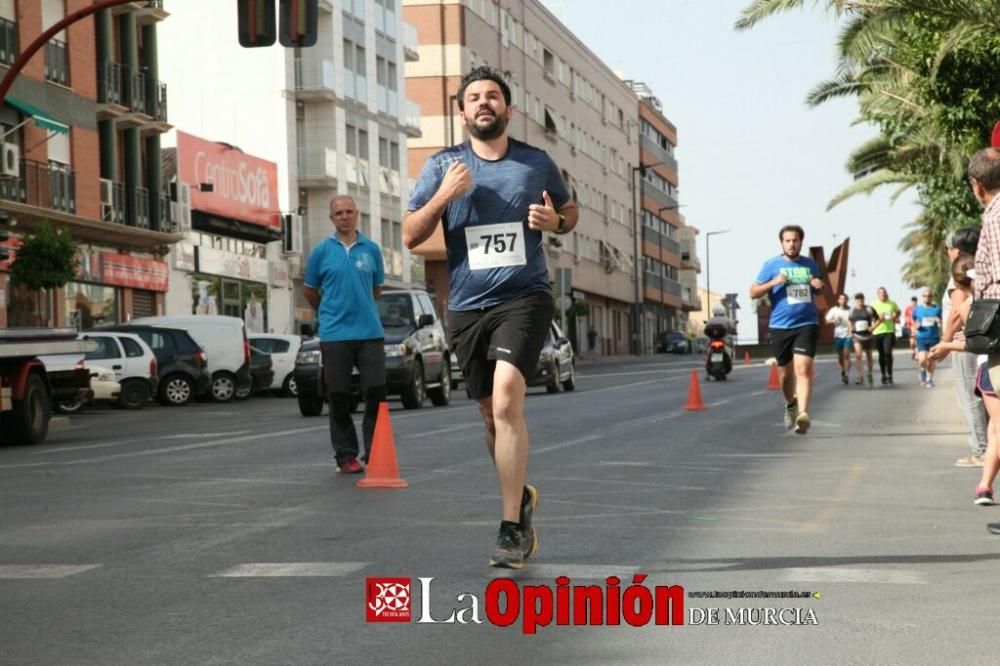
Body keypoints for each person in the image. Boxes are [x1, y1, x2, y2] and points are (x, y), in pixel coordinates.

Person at [403, 66, 579, 567]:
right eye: (474, 97)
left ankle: (508, 529)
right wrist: (443, 196)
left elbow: (569, 212)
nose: (484, 103)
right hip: (465, 307)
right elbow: (411, 236)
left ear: (508, 109)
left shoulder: (534, 163)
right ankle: (519, 498)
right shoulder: (443, 166)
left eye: (493, 96)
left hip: (524, 297)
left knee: (505, 403)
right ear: (462, 111)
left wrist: (556, 223)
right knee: (488, 414)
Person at [303, 195, 386, 475]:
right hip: (335, 334)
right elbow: (310, 291)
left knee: (375, 391)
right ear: (332, 218)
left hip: (370, 332)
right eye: (338, 212)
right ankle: (346, 455)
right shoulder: (321, 252)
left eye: (349, 211)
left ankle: (375, 452)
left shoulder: (371, 250)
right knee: (338, 395)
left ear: (356, 215)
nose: (344, 216)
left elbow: (376, 290)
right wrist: (327, 313)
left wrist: (361, 308)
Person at [931, 254, 996, 501]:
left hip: (989, 368)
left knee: (996, 431)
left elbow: (980, 344)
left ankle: (985, 486)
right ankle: (984, 485)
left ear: (958, 285)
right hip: (989, 366)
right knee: (993, 430)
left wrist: (948, 345)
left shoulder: (975, 304)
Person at [749, 225, 825, 434]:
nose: (792, 244)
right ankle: (791, 403)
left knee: (804, 369)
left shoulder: (810, 265)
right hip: (780, 325)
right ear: (782, 243)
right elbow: (753, 292)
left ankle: (803, 414)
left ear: (801, 242)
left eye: (796, 240)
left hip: (807, 323)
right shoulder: (771, 265)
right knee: (785, 376)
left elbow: (819, 290)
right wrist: (775, 281)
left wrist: (818, 285)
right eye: (788, 241)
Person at [938, 227, 988, 467]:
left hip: (961, 342)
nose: (947, 252)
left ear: (956, 250)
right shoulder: (981, 268)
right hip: (979, 341)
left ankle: (981, 449)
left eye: (948, 248)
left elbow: (957, 314)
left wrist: (944, 344)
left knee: (970, 396)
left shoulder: (958, 273)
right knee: (983, 394)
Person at [870, 287, 901, 384]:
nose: (883, 294)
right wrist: (878, 317)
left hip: (889, 330)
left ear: (886, 293)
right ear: (878, 294)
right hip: (878, 332)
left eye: (884, 293)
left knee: (888, 352)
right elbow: (870, 316)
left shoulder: (892, 303)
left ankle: (890, 374)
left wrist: (894, 316)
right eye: (880, 293)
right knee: (881, 354)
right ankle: (883, 374)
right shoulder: (873, 304)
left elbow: (898, 311)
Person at [913, 288, 942, 387]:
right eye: (925, 296)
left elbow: (942, 321)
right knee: (922, 359)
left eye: (929, 296)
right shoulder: (918, 309)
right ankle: (922, 370)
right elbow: (913, 320)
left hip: (934, 336)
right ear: (922, 297)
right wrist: (916, 325)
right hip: (921, 337)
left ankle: (929, 379)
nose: (927, 298)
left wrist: (938, 321)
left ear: (932, 297)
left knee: (932, 358)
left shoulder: (937, 309)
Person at [849, 292, 879, 387]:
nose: (860, 301)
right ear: (855, 301)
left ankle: (869, 373)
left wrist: (873, 327)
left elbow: (878, 319)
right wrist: (850, 328)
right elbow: (849, 321)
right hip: (857, 336)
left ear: (864, 299)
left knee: (869, 356)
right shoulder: (852, 310)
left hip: (868, 336)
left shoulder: (869, 309)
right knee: (858, 355)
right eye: (858, 299)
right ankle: (859, 375)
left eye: (861, 299)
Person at [826, 293, 853, 385]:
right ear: (838, 300)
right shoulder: (834, 310)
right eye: (841, 299)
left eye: (845, 299)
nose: (843, 300)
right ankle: (842, 369)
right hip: (838, 335)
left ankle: (846, 374)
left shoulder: (850, 310)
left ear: (847, 300)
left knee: (846, 355)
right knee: (840, 357)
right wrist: (834, 320)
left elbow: (853, 320)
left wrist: (851, 329)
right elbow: (826, 320)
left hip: (848, 335)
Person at [904, 296, 918, 360]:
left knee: (916, 341)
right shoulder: (908, 308)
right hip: (909, 326)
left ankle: (916, 352)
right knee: (912, 343)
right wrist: (908, 321)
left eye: (915, 301)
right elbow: (906, 317)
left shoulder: (918, 308)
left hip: (916, 327)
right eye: (913, 301)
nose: (914, 302)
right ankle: (914, 351)